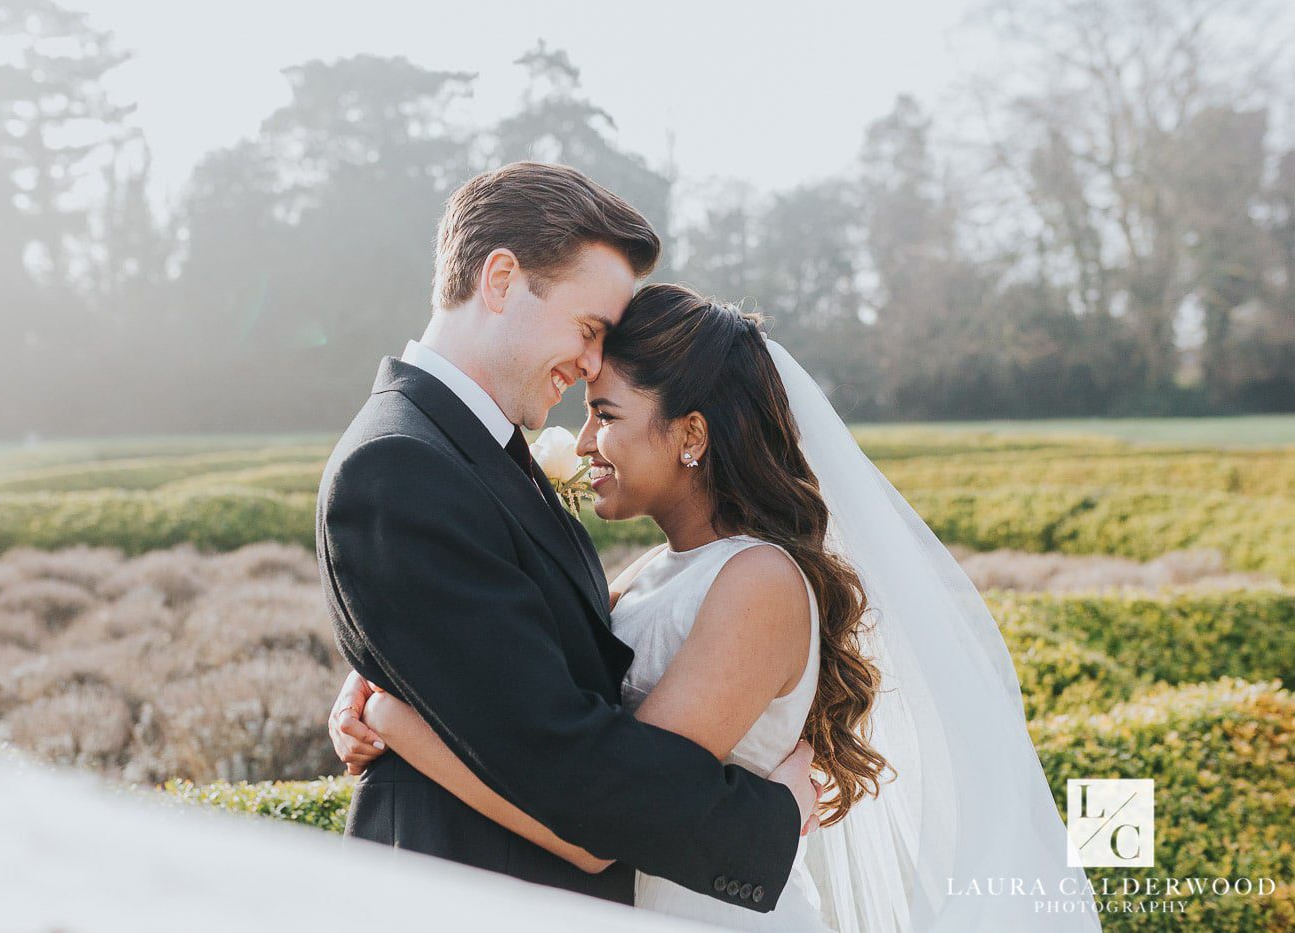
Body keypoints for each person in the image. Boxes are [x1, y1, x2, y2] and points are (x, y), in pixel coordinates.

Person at [336, 283, 1104, 932]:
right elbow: (522, 685)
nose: (586, 437)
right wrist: (398, 669)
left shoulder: (758, 581)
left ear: (691, 436)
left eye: (606, 413)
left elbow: (599, 821)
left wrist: (394, 717)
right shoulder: (651, 570)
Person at [316, 163, 819, 916]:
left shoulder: (475, 457)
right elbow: (562, 762)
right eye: (588, 331)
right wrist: (768, 820)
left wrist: (393, 699)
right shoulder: (401, 465)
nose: (591, 364)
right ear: (501, 279)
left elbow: (524, 689)